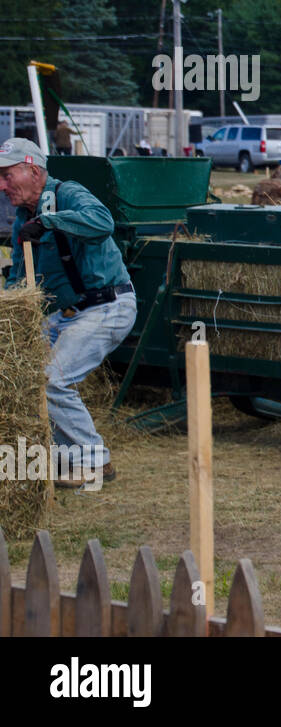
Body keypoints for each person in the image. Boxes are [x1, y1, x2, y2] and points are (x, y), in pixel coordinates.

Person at [0, 138, 136, 489]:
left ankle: (94, 461)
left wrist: (50, 222)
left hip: (107, 305)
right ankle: (61, 457)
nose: (1, 186)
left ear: (32, 169)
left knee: (53, 379)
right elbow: (19, 281)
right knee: (24, 375)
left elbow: (102, 222)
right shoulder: (21, 221)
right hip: (65, 314)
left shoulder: (68, 193)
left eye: (6, 175)